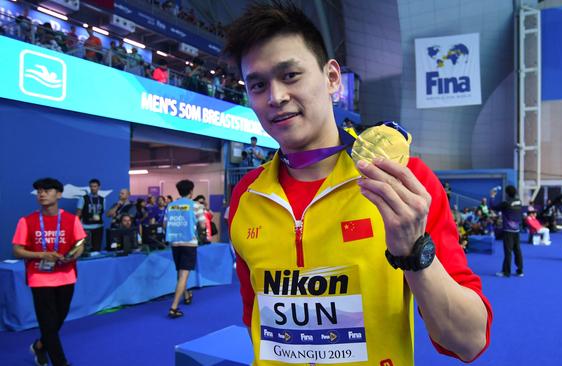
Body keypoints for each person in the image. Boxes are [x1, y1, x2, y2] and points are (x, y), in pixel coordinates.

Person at [224, 2, 492, 364]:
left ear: (332, 77)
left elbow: (469, 340)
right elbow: (254, 317)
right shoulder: (246, 196)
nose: (276, 97)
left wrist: (414, 252)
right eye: (258, 84)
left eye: (290, 76)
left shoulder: (402, 179)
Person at [12, 178, 86, 366]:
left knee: (57, 320)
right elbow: (17, 250)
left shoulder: (72, 220)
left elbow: (80, 245)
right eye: (39, 191)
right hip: (39, 277)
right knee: (48, 324)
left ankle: (40, 346)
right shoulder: (26, 221)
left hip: (66, 275)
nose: (42, 194)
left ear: (59, 194)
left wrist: (73, 256)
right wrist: (41, 254)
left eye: (46, 190)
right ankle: (61, 362)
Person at [164, 180, 206, 318]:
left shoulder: (170, 206)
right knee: (183, 275)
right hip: (189, 243)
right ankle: (174, 307)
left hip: (175, 243)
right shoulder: (196, 206)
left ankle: (187, 296)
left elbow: (165, 225)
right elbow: (203, 225)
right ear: (191, 191)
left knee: (180, 272)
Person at [490, 185, 524, 277]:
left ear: (507, 193)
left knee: (508, 251)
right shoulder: (519, 202)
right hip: (516, 230)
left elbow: (493, 207)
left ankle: (506, 272)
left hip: (508, 230)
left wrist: (492, 196)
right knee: (517, 250)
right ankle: (520, 271)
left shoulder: (506, 203)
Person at [76, 178, 105, 252]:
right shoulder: (83, 198)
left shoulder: (103, 199)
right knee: (85, 249)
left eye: (95, 186)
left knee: (97, 248)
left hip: (98, 227)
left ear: (99, 187)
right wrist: (76, 226)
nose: (93, 188)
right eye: (91, 186)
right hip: (86, 227)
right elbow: (78, 213)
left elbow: (103, 212)